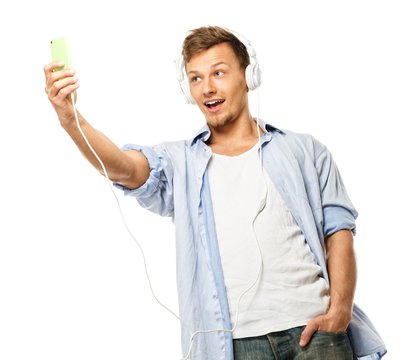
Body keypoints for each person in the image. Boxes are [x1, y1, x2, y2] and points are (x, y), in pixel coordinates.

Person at [44, 26, 386, 360]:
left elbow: (339, 234)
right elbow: (124, 168)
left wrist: (339, 312)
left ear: (248, 76)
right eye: (195, 78)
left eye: (218, 73)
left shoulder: (305, 151)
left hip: (314, 333)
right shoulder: (179, 162)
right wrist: (71, 120)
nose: (207, 88)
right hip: (235, 344)